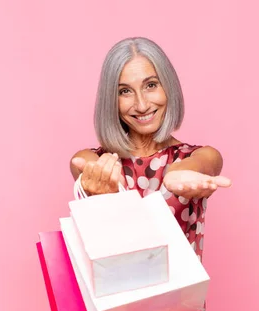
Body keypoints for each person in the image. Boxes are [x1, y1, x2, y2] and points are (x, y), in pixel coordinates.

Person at [69, 37, 231, 262]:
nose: (142, 104)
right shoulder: (96, 161)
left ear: (168, 87)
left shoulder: (199, 157)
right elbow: (82, 163)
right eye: (125, 91)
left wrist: (180, 173)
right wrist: (98, 183)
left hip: (181, 298)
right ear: (111, 101)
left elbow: (204, 163)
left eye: (151, 85)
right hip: (116, 296)